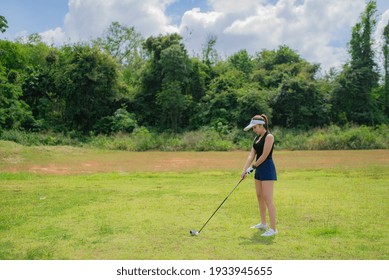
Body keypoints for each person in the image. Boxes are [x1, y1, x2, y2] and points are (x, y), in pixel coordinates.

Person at [241, 114, 278, 237]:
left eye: (255, 127)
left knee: (268, 198)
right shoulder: (256, 138)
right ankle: (263, 223)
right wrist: (245, 169)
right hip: (258, 170)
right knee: (259, 196)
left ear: (261, 125)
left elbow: (264, 156)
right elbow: (251, 155)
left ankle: (273, 229)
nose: (254, 130)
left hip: (267, 168)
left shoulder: (269, 137)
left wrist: (252, 167)